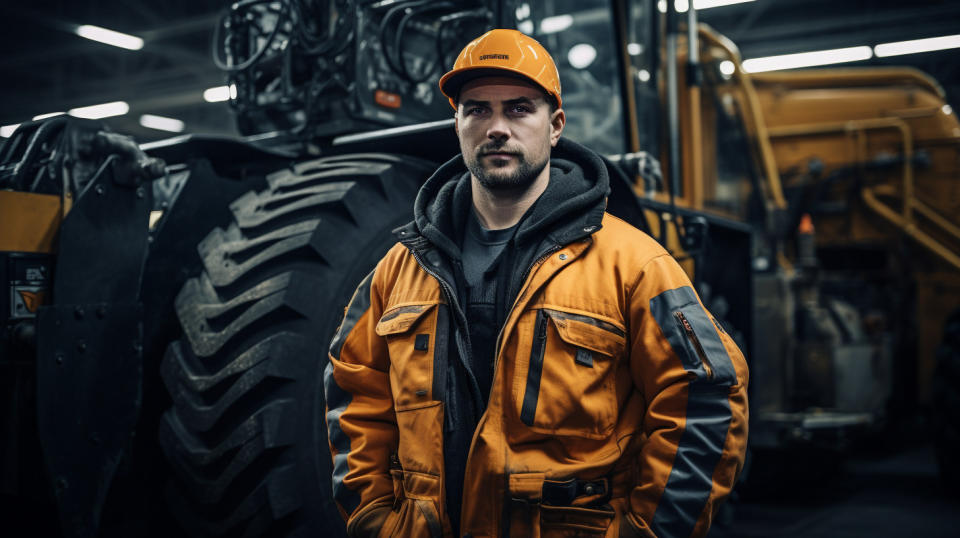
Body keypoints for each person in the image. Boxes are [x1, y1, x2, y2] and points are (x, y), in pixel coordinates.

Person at [324, 29, 748, 537]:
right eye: (477, 109)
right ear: (456, 124)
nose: (496, 128)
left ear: (555, 127)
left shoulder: (633, 264)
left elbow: (707, 396)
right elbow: (354, 391)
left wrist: (648, 529)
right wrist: (373, 516)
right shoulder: (399, 270)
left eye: (519, 109)